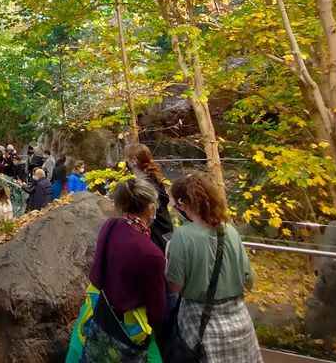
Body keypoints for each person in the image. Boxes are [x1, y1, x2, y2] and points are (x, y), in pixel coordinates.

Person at [165, 173, 261, 363]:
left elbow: (174, 287)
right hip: (240, 323)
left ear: (183, 204)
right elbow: (249, 280)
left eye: (175, 205)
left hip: (201, 326)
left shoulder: (182, 236)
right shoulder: (230, 231)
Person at [77, 177, 167, 362]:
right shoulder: (151, 254)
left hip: (101, 315)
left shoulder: (110, 226)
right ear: (150, 207)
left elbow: (98, 272)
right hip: (128, 330)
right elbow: (156, 309)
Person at [125, 144, 173, 252]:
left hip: (155, 234)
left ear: (133, 161)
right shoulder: (153, 178)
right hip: (164, 229)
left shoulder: (144, 185)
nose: (126, 163)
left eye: (127, 159)